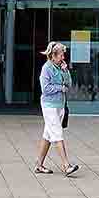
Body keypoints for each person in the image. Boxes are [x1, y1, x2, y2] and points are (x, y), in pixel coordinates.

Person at [35, 41, 79, 176]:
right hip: (49, 106)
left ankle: (39, 165)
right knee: (57, 134)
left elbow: (69, 83)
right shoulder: (46, 68)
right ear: (53, 56)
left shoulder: (61, 67)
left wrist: (66, 72)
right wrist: (60, 88)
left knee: (48, 135)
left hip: (60, 105)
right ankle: (66, 165)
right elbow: (45, 89)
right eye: (61, 55)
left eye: (63, 55)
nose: (63, 58)